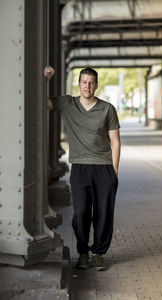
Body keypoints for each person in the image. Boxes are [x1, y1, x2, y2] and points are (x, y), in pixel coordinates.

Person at [44, 66, 121, 271]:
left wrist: (114, 171)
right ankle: (83, 252)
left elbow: (115, 141)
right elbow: (42, 102)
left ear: (96, 85)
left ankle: (98, 253)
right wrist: (46, 80)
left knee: (104, 214)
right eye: (84, 82)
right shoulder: (68, 103)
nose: (87, 86)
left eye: (91, 83)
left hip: (103, 168)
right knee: (80, 213)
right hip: (79, 168)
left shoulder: (107, 109)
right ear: (79, 84)